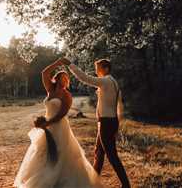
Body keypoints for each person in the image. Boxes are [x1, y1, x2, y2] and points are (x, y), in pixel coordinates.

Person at [14, 59, 104, 188]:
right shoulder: (50, 90)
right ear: (57, 79)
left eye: (67, 79)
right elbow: (44, 73)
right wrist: (58, 63)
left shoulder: (66, 95)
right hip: (47, 126)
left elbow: (62, 113)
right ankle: (44, 176)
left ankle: (60, 181)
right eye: (63, 77)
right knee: (43, 151)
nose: (65, 80)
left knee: (61, 153)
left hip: (59, 127)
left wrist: (48, 123)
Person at [60, 58, 131, 188]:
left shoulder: (106, 81)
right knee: (99, 152)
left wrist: (70, 64)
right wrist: (117, 122)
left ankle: (126, 185)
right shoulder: (113, 82)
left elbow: (85, 78)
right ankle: (92, 182)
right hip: (110, 120)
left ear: (106, 69)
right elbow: (119, 105)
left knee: (111, 155)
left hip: (106, 122)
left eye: (98, 68)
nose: (96, 71)